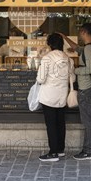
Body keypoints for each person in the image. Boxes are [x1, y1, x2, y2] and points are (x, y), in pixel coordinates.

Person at [60, 23, 91, 160]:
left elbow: (90, 69)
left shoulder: (89, 49)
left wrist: (74, 70)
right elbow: (76, 48)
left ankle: (89, 151)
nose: (79, 35)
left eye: (80, 32)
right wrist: (64, 37)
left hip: (86, 88)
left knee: (88, 120)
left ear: (84, 32)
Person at [36, 33, 75, 162]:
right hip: (62, 95)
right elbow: (73, 78)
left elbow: (40, 79)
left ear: (50, 44)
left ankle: (53, 153)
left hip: (49, 95)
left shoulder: (47, 58)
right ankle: (60, 149)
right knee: (60, 123)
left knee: (51, 124)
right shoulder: (69, 59)